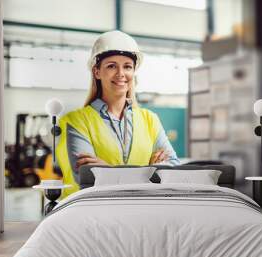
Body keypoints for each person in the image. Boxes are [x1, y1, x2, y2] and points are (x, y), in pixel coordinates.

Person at [56, 30, 180, 198]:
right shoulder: (75, 121)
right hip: (91, 213)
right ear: (97, 72)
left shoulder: (150, 119)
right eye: (111, 66)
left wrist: (108, 171)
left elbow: (172, 171)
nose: (121, 74)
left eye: (127, 66)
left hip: (139, 213)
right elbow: (87, 178)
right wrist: (148, 173)